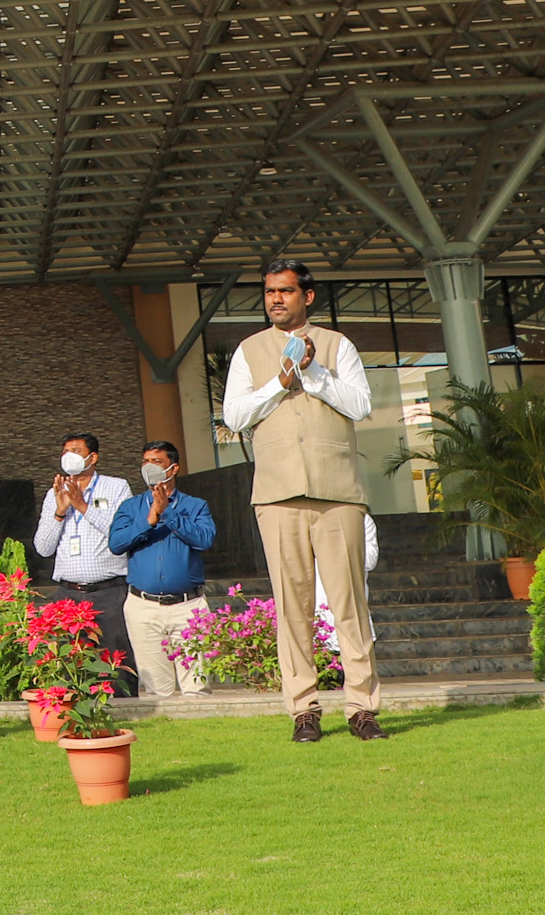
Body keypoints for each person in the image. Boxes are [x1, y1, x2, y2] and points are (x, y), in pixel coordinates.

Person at [222, 257, 382, 743]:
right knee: (293, 607)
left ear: (307, 296)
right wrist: (280, 382)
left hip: (338, 492)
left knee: (349, 604)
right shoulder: (249, 350)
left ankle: (362, 708)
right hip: (277, 494)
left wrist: (314, 374)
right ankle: (304, 710)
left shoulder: (337, 345)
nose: (275, 299)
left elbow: (361, 405)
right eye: (269, 291)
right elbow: (234, 417)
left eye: (285, 291)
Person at [108, 441, 218, 697]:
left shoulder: (196, 506)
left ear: (173, 468)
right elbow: (116, 544)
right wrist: (150, 519)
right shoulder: (130, 507)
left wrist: (168, 512)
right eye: (145, 461)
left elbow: (204, 539)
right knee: (157, 690)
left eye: (156, 462)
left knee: (197, 686)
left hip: (188, 606)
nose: (149, 467)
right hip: (144, 607)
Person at [35, 430, 139, 693]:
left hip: (108, 593)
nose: (69, 457)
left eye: (76, 451)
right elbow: (43, 548)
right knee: (70, 665)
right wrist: (60, 512)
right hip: (68, 594)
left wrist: (83, 506)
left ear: (93, 458)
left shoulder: (116, 487)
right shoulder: (54, 493)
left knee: (117, 663)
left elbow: (122, 533)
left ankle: (127, 709)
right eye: (65, 452)